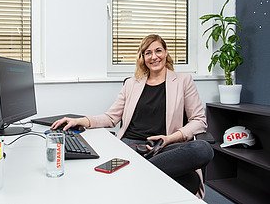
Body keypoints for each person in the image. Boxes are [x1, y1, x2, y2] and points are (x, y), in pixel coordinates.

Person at [51, 34, 214, 198]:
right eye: (148, 53)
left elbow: (199, 121)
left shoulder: (183, 80)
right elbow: (110, 117)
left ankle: (135, 173)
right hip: (131, 146)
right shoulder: (132, 83)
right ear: (143, 57)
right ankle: (141, 175)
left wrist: (169, 138)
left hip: (164, 148)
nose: (154, 56)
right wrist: (79, 120)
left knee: (203, 149)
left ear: (166, 53)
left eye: (158, 51)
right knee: (189, 181)